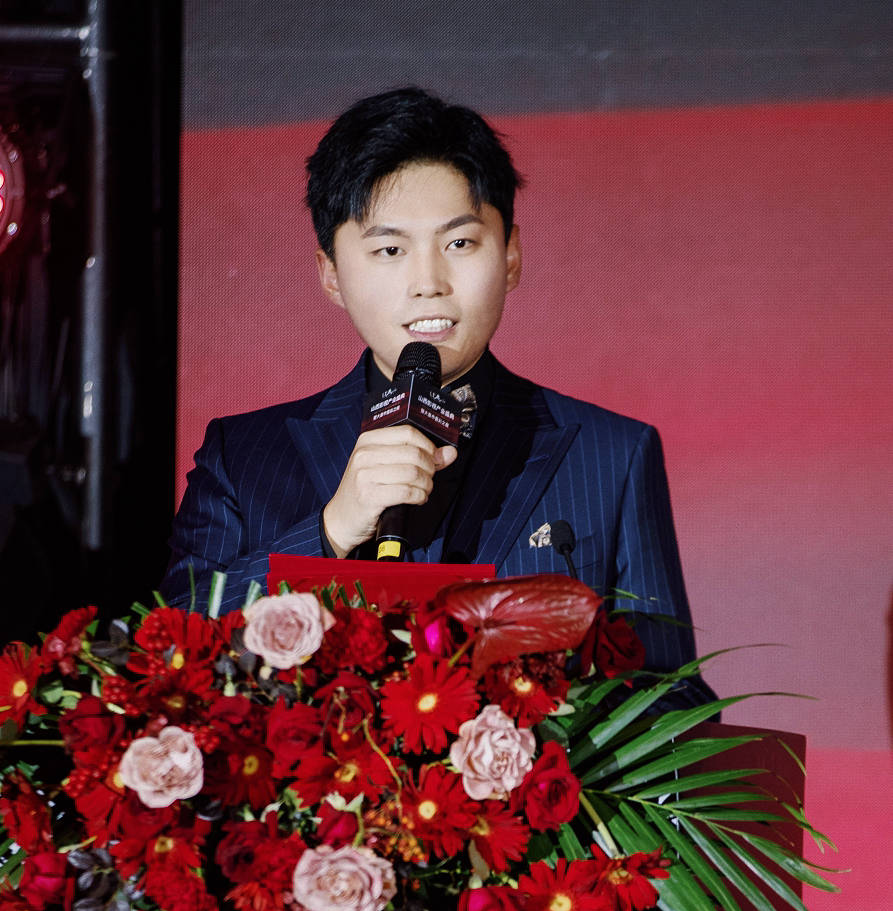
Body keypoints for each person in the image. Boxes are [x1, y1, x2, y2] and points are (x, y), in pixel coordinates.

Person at [162, 87, 713, 705]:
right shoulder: (243, 456)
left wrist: (547, 716)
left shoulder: (612, 456)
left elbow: (676, 701)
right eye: (389, 250)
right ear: (330, 274)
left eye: (459, 244)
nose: (428, 283)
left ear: (511, 255)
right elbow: (172, 662)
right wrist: (331, 530)